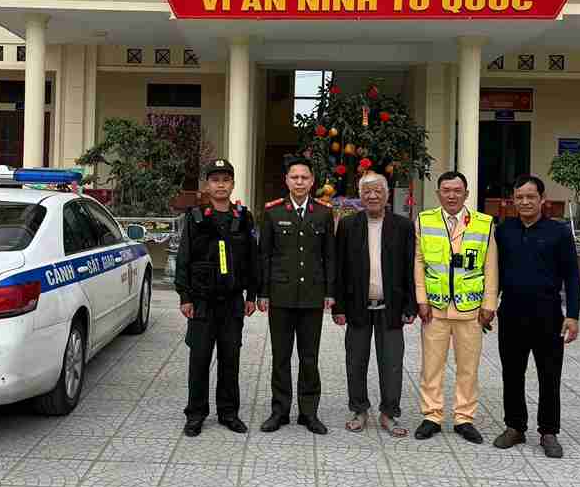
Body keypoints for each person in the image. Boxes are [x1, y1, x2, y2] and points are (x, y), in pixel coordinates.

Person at [493, 174, 580, 458]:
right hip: (511, 313)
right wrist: (487, 306)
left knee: (549, 375)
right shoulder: (504, 231)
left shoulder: (559, 232)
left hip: (548, 315)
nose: (525, 202)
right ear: (513, 200)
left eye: (531, 197)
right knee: (512, 374)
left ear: (542, 200)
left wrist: (573, 315)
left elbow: (572, 275)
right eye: (520, 197)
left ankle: (549, 431)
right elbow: (492, 273)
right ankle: (515, 427)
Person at [174, 159, 258, 437]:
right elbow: (184, 257)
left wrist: (252, 295)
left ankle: (228, 413)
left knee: (230, 358)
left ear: (233, 183)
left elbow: (251, 259)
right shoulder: (196, 216)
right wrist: (184, 296)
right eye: (215, 179)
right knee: (199, 359)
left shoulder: (243, 217)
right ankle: (195, 414)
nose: (220, 184)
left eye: (225, 179)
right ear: (207, 185)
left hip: (233, 300)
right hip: (202, 301)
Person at [414, 171, 498, 444]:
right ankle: (432, 416)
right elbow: (419, 262)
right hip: (435, 308)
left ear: (466, 194)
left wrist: (489, 304)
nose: (452, 195)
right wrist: (421, 300)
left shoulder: (484, 224)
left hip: (470, 308)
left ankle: (464, 418)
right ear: (438, 193)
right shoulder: (425, 221)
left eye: (457, 190)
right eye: (446, 190)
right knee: (431, 366)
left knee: (468, 367)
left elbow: (491, 266)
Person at [333, 171, 417, 436]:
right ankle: (359, 409)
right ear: (360, 196)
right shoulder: (348, 225)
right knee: (355, 360)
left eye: (377, 191)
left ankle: (389, 413)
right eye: (367, 191)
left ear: (387, 194)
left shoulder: (402, 226)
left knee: (391, 362)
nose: (372, 195)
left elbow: (410, 268)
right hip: (357, 304)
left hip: (391, 306)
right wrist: (339, 306)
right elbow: (339, 268)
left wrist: (410, 305)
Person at [258, 155, 336, 435]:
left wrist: (330, 291)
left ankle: (308, 412)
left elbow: (330, 255)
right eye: (294, 177)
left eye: (304, 177)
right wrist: (262, 293)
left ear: (312, 181)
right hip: (280, 295)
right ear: (287, 180)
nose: (300, 182)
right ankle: (279, 411)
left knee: (309, 357)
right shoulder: (272, 212)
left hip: (312, 296)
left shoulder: (324, 212)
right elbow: (264, 255)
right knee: (280, 356)